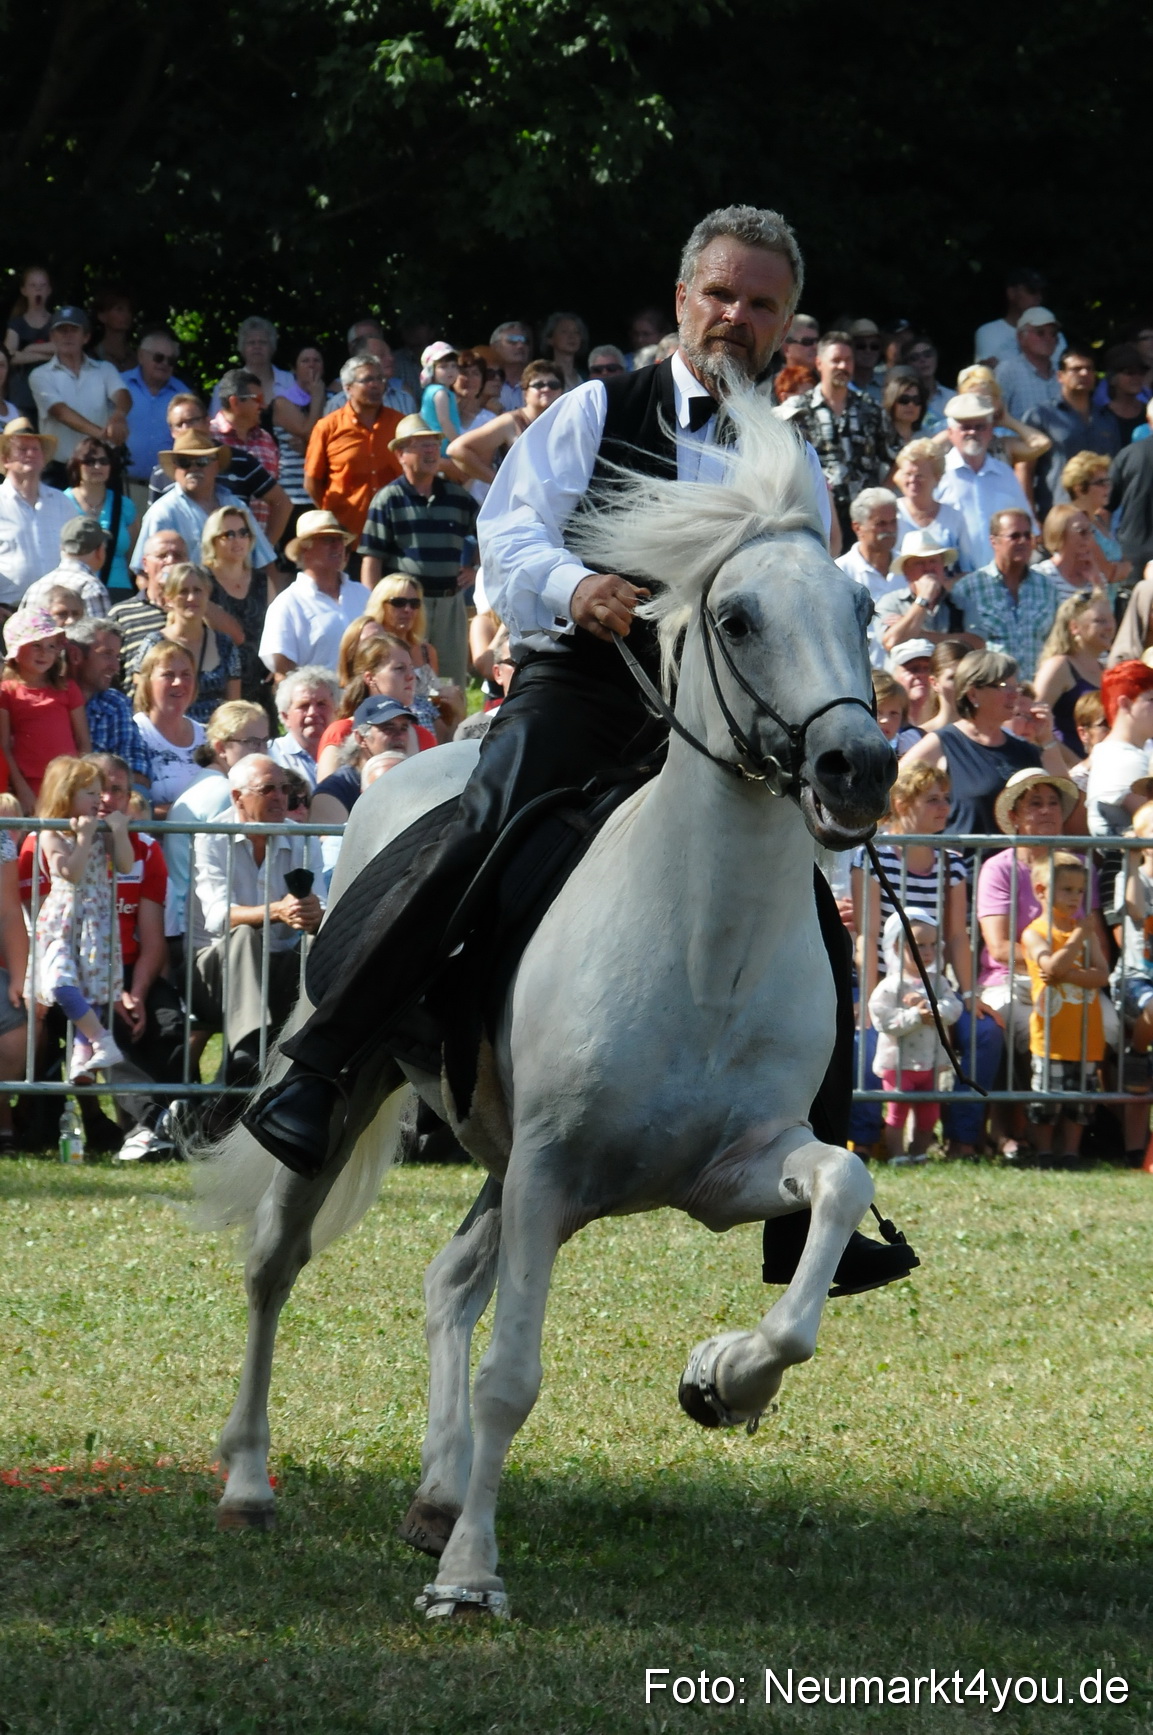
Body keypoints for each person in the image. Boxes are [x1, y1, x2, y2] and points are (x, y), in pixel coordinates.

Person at [247, 203, 910, 1301]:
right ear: (686, 296)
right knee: (483, 822)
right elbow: (507, 537)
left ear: (787, 322)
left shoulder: (790, 456)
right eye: (721, 295)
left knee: (815, 927)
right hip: (586, 686)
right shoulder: (604, 406)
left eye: (761, 303)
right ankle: (324, 1066)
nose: (736, 317)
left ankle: (801, 1224)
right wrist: (578, 586)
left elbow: (800, 589)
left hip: (724, 719)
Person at [853, 761, 1001, 1156]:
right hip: (885, 987)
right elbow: (866, 934)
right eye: (932, 799)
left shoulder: (952, 861)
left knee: (984, 1033)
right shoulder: (873, 854)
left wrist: (969, 995)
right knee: (861, 1039)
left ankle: (962, 1138)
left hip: (935, 989)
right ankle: (866, 1140)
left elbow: (955, 935)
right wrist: (868, 1002)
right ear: (900, 803)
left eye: (946, 799)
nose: (944, 807)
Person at [191, 754, 324, 1094]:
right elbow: (219, 916)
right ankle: (247, 1055)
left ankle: (319, 1051)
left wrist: (313, 913)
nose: (281, 797)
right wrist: (278, 910)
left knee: (318, 941)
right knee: (243, 936)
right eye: (268, 789)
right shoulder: (211, 836)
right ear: (238, 797)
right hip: (215, 969)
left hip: (279, 964)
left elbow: (322, 905)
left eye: (284, 788)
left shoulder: (303, 837)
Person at [25, 754, 133, 1081]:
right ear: (65, 794)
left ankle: (84, 1056)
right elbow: (69, 872)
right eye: (89, 792)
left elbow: (126, 865)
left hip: (96, 919)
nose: (98, 799)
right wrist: (84, 837)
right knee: (59, 981)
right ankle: (102, 1039)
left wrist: (119, 831)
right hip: (62, 919)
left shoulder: (100, 828)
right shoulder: (52, 832)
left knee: (91, 986)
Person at [358, 415, 479, 687]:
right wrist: (373, 610)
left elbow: (490, 531)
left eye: (434, 445)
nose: (431, 451)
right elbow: (372, 558)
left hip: (450, 603)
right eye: (422, 445)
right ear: (401, 454)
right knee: (405, 680)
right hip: (405, 607)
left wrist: (475, 568)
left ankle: (450, 730)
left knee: (450, 683)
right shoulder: (388, 499)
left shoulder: (457, 497)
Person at [902, 649, 1067, 833]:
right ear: (973, 694)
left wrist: (1047, 740)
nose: (1014, 695)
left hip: (1017, 861)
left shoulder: (1024, 750)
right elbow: (896, 791)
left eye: (1016, 686)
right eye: (1004, 685)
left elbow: (1067, 803)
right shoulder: (943, 743)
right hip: (964, 860)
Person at [161, 700, 271, 969]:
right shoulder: (223, 792)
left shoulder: (209, 783)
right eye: (252, 742)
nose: (262, 750)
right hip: (197, 931)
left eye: (265, 741)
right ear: (221, 748)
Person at [1022, 854, 1108, 1157]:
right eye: (1067, 890)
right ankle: (1044, 1153)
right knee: (1047, 1101)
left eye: (1080, 891)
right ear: (1041, 891)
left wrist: (1067, 972)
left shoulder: (1085, 933)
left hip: (1086, 1035)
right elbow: (1050, 965)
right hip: (1051, 1036)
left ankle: (1070, 1153)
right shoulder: (1035, 932)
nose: (1076, 898)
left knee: (1079, 1103)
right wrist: (1078, 938)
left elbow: (1102, 974)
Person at [868, 915, 962, 1162]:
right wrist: (914, 1016)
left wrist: (933, 1009)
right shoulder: (890, 985)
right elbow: (880, 1017)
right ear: (898, 947)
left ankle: (919, 1152)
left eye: (933, 945)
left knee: (929, 1112)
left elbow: (954, 1008)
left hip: (930, 1062)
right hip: (898, 1063)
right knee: (898, 1110)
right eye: (919, 945)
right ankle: (897, 1154)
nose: (928, 951)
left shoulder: (939, 982)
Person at [778, 329, 885, 544]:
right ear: (819, 363)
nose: (843, 367)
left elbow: (894, 456)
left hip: (866, 521)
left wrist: (879, 497)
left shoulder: (871, 410)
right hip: (816, 517)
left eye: (848, 360)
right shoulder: (795, 412)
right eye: (836, 360)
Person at [136, 430, 279, 576]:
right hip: (185, 597)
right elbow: (143, 573)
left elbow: (264, 562)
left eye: (202, 461)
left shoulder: (237, 507)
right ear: (175, 468)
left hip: (237, 595)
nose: (193, 468)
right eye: (184, 462)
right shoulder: (162, 513)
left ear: (216, 465)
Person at [145, 396, 286, 532]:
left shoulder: (240, 461)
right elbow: (152, 530)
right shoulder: (161, 473)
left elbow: (282, 502)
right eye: (179, 424)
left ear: (208, 422)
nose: (186, 428)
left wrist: (265, 547)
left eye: (192, 421)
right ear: (172, 432)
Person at [949, 509, 1062, 677]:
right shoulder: (969, 589)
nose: (1023, 541)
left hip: (1036, 692)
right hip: (990, 691)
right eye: (1014, 536)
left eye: (1027, 535)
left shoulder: (1047, 588)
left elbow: (1058, 642)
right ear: (994, 541)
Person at [258, 510, 370, 679]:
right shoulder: (288, 603)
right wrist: (314, 690)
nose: (338, 546)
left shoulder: (362, 593)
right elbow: (278, 660)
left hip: (364, 700)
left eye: (340, 540)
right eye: (328, 540)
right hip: (320, 702)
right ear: (305, 549)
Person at [303, 355, 402, 545]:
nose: (376, 385)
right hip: (347, 537)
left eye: (380, 379)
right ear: (347, 388)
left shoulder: (399, 424)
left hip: (395, 533)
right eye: (367, 380)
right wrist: (332, 515)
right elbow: (312, 483)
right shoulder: (327, 427)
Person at [933, 394, 1035, 573]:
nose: (973, 432)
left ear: (990, 431)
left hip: (1003, 578)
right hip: (954, 578)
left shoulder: (1005, 474)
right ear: (950, 432)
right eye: (965, 427)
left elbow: (1027, 528)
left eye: (980, 427)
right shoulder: (937, 475)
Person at [0, 607, 89, 811]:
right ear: (16, 651)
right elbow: (4, 746)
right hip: (28, 783)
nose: (45, 653)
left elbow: (83, 741)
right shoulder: (6, 692)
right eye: (36, 645)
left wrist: (82, 783)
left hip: (67, 782)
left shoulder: (67, 687)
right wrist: (22, 788)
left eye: (51, 646)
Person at [132, 563, 241, 724]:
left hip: (214, 737)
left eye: (197, 590)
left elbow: (233, 707)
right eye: (183, 591)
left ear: (207, 595)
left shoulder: (225, 645)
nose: (191, 598)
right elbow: (141, 701)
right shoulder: (153, 643)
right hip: (166, 736)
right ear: (169, 599)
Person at [313, 636, 435, 780]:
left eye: (411, 668)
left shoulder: (424, 736)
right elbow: (327, 794)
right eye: (399, 668)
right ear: (370, 678)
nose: (411, 677)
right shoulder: (341, 732)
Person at [1021, 347, 1119, 519]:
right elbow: (1024, 469)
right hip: (1057, 515)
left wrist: (1112, 509)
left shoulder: (1106, 417)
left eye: (1089, 368)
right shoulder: (1041, 416)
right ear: (1060, 376)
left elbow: (1115, 468)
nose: (1084, 373)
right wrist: (1030, 515)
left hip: (1101, 516)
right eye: (1076, 369)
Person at [29, 307, 131, 470]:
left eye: (74, 330)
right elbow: (61, 412)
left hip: (101, 465)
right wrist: (103, 435)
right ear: (52, 337)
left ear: (86, 337)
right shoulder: (40, 375)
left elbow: (123, 394)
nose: (67, 335)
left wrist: (119, 416)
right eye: (62, 331)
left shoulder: (105, 369)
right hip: (60, 468)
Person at [364, 573, 464, 737]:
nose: (408, 609)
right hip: (386, 728)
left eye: (414, 603)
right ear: (380, 606)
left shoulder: (426, 651)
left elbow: (433, 697)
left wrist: (449, 700)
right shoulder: (372, 649)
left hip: (428, 729)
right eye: (398, 603)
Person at [445, 360, 566, 494]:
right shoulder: (512, 421)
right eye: (538, 385)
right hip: (520, 503)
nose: (546, 389)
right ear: (525, 393)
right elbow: (457, 449)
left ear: (562, 391)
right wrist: (498, 481)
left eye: (553, 384)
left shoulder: (568, 423)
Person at [64, 616, 151, 792]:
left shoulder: (114, 703)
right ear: (75, 655)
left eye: (117, 657)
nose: (115, 667)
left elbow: (139, 774)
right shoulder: (45, 701)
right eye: (107, 654)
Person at [208, 369, 293, 542]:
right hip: (219, 546)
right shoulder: (209, 440)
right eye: (258, 399)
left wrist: (267, 551)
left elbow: (278, 500)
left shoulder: (267, 440)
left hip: (259, 548)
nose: (264, 405)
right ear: (235, 402)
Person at [200, 503, 270, 713]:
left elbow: (275, 630)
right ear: (213, 540)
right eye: (228, 534)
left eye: (243, 532)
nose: (238, 539)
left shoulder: (262, 581)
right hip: (218, 683)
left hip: (261, 683)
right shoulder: (202, 580)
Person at [0, 419, 76, 605]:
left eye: (36, 449)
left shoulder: (61, 502)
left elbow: (77, 553)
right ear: (6, 459)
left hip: (56, 610)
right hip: (8, 609)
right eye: (22, 449)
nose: (31, 454)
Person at [1033, 589, 1115, 755]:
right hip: (1067, 771)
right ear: (1074, 627)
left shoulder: (1105, 670)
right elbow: (1033, 721)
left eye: (1111, 619)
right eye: (1100, 621)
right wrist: (1072, 761)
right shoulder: (1059, 666)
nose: (1110, 626)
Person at [130, 639, 205, 815]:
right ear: (148, 682)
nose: (178, 682)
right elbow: (132, 808)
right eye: (168, 675)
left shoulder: (206, 736)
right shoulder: (134, 733)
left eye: (186, 674)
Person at [875, 530, 978, 655]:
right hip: (909, 674)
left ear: (942, 566)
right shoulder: (890, 602)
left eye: (933, 561)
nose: (928, 568)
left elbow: (977, 643)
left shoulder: (962, 602)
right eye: (919, 562)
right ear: (906, 571)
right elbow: (891, 642)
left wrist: (918, 633)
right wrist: (922, 600)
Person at [119, 327, 192, 497]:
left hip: (168, 490)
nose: (164, 364)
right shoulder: (119, 386)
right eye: (158, 358)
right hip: (124, 487)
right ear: (141, 356)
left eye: (171, 360)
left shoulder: (183, 395)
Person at [62, 437, 137, 598]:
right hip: (73, 592)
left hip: (119, 590)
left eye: (104, 461)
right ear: (76, 464)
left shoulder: (125, 505)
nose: (97, 466)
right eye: (89, 461)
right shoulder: (60, 502)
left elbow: (133, 556)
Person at [108, 529, 187, 680]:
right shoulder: (121, 613)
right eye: (162, 556)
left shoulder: (197, 609)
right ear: (145, 564)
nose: (170, 561)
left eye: (178, 556)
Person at [1086, 660, 1153, 837]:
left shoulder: (1120, 752)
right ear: (1125, 704)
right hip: (1123, 863)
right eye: (1152, 699)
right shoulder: (1121, 758)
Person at [1061, 451, 1130, 594]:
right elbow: (1108, 573)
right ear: (1079, 488)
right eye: (1100, 483)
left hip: (1107, 606)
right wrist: (1126, 567)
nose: (1108, 488)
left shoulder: (1098, 520)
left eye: (1107, 481)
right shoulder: (1077, 526)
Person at [19, 514, 112, 616]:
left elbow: (21, 628)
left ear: (61, 548)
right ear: (100, 550)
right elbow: (101, 631)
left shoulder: (36, 587)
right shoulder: (91, 587)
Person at [890, 438, 967, 560]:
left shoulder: (954, 518)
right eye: (908, 474)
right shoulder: (890, 514)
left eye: (919, 476)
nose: (912, 480)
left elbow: (966, 567)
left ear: (937, 478)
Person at [269, 665, 339, 789]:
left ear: (337, 712)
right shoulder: (272, 756)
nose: (313, 712)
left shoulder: (349, 755)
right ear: (285, 716)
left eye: (321, 704)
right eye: (304, 705)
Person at [973, 268, 1057, 368]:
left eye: (1041, 292)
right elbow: (986, 376)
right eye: (1031, 290)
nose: (1038, 297)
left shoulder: (1053, 334)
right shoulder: (989, 332)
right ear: (1011, 293)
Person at [993, 306, 1063, 421]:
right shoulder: (1008, 371)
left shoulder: (1061, 371)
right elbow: (996, 417)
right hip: (1020, 438)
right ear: (1021, 337)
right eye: (1040, 333)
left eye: (1053, 334)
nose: (1048, 338)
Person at [4, 265, 54, 418]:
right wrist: (43, 356)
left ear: (49, 290)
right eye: (33, 286)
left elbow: (61, 347)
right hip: (23, 395)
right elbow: (9, 356)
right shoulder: (17, 323)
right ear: (24, 290)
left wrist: (30, 348)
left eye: (42, 286)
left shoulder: (55, 321)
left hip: (51, 393)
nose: (38, 290)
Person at [1107, 420, 1153, 578]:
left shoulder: (1128, 454)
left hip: (1132, 553)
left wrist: (1107, 546)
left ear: (1148, 421)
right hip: (1132, 553)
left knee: (1133, 601)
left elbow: (1105, 504)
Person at [1032, 505, 1105, 598]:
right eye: (1082, 532)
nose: (1089, 537)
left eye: (1091, 531)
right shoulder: (1041, 576)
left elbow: (1105, 611)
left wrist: (1097, 582)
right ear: (1060, 534)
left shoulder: (1097, 576)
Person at [1100, 344, 1149, 447]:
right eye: (1129, 372)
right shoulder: (1101, 417)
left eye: (1141, 372)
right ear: (1112, 378)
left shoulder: (1150, 414)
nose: (1136, 377)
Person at [879, 367, 926, 467]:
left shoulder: (927, 438)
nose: (911, 405)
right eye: (904, 399)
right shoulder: (878, 438)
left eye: (916, 400)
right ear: (892, 402)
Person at [418, 343, 463, 448]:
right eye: (443, 367)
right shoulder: (440, 393)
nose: (450, 370)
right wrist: (458, 444)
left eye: (454, 366)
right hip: (443, 446)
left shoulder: (430, 390)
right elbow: (445, 423)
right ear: (431, 370)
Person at [904, 335, 952, 428]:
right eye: (915, 357)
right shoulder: (903, 401)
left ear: (936, 357)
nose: (922, 360)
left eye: (927, 354)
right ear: (907, 364)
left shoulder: (952, 397)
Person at [490, 322, 533, 408]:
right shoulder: (483, 382)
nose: (520, 346)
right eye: (512, 341)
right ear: (495, 347)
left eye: (525, 341)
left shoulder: (538, 382)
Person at [541, 312, 588, 391]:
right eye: (564, 331)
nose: (571, 336)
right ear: (550, 339)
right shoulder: (543, 376)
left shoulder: (585, 377)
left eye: (576, 332)